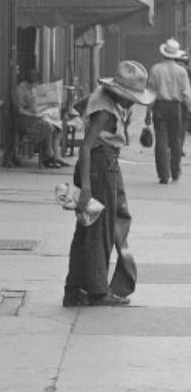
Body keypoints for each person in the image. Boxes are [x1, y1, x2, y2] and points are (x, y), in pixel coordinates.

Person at [63, 60, 155, 308]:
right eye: (131, 97)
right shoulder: (105, 110)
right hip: (100, 167)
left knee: (87, 227)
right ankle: (96, 290)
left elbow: (78, 107)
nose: (133, 102)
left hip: (102, 164)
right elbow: (86, 147)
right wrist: (87, 188)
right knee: (100, 230)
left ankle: (75, 289)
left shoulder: (102, 98)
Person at [145, 38, 191, 184]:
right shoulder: (181, 71)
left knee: (161, 140)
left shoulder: (155, 69)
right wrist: (188, 108)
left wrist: (148, 112)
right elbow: (186, 93)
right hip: (175, 108)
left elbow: (150, 93)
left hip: (159, 106)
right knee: (176, 140)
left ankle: (163, 175)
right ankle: (175, 171)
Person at [15, 68, 68, 168]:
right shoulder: (20, 90)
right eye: (33, 84)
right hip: (27, 120)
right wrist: (34, 115)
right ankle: (49, 153)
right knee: (47, 126)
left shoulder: (34, 89)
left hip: (38, 116)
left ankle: (57, 155)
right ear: (28, 82)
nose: (35, 86)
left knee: (56, 124)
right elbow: (20, 111)